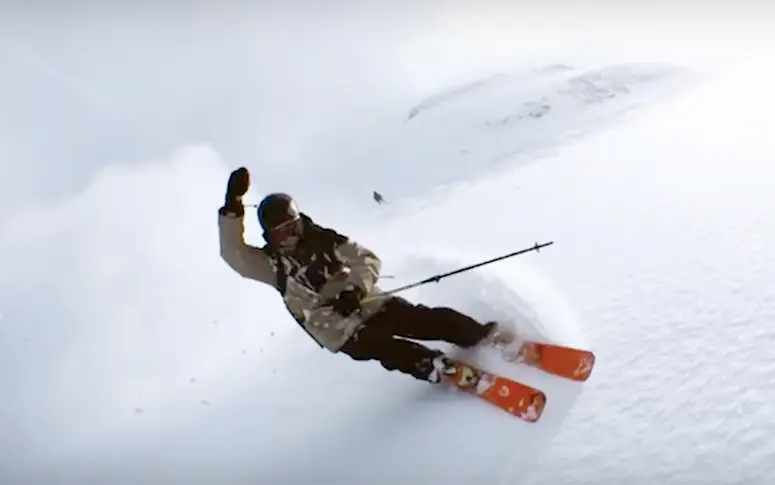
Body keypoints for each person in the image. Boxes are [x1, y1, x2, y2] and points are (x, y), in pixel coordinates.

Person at [218, 167, 513, 385]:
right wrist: (233, 207)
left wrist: (355, 290)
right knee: (386, 348)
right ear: (269, 235)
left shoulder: (324, 240)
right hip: (336, 328)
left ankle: (483, 337)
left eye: (292, 226)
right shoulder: (272, 265)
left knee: (424, 320)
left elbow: (366, 259)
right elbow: (235, 256)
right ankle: (437, 367)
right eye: (280, 232)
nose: (289, 236)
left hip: (367, 304)